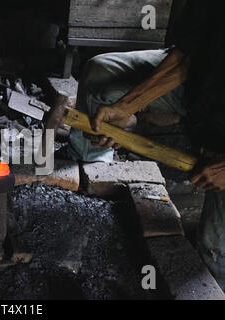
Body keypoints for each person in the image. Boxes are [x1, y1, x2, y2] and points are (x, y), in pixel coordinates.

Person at [67, 0, 225, 290]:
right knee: (101, 73)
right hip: (205, 90)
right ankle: (94, 175)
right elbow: (186, 56)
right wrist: (127, 107)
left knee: (217, 250)